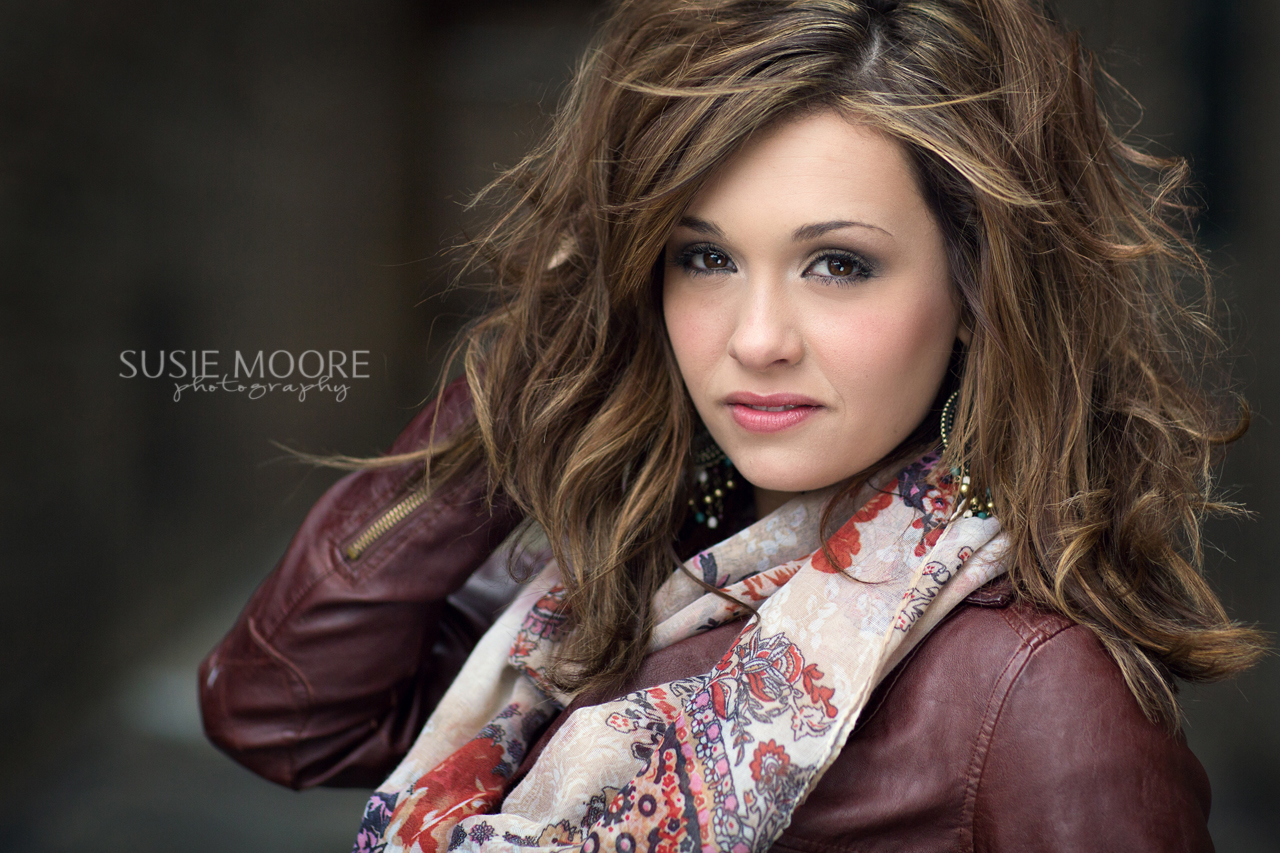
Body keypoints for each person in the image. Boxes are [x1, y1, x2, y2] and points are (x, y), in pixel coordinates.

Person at [199, 0, 1265, 850]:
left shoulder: (1035, 697)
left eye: (836, 264)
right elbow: (287, 713)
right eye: (702, 256)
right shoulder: (621, 574)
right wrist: (552, 356)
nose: (754, 338)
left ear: (978, 288)